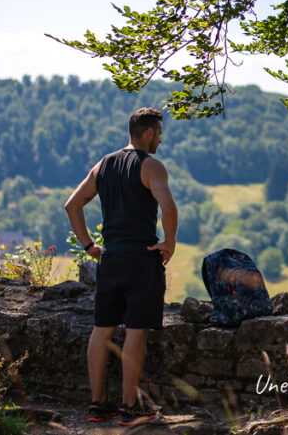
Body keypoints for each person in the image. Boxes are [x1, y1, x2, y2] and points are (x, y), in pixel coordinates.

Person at [64, 107, 178, 426]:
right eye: (159, 133)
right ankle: (130, 407)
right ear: (149, 133)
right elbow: (169, 208)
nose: (161, 138)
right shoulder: (152, 166)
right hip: (141, 258)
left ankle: (98, 404)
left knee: (102, 330)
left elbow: (72, 205)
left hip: (110, 258)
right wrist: (169, 242)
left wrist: (90, 246)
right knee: (136, 332)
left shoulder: (104, 164)